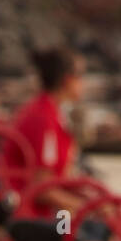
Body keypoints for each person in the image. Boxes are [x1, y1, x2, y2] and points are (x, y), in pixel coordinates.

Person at [8, 47, 85, 183]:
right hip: (33, 202)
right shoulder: (43, 117)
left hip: (51, 197)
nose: (84, 83)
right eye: (80, 75)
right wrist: (80, 204)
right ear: (67, 80)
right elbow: (42, 186)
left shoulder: (49, 110)